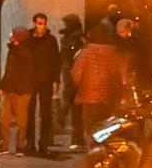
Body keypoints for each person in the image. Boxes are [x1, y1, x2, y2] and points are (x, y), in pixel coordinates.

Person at [72, 24, 128, 143]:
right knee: (106, 127)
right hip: (108, 97)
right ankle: (104, 150)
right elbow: (119, 75)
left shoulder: (85, 53)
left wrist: (80, 89)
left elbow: (77, 75)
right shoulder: (113, 53)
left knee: (90, 126)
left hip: (89, 97)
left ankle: (94, 152)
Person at [0, 27, 35, 156]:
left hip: (21, 91)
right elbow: (9, 71)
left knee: (21, 120)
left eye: (13, 34)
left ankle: (20, 146)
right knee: (4, 119)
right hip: (9, 89)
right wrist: (3, 85)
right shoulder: (13, 50)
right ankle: (4, 145)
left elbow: (26, 73)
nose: (10, 36)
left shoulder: (25, 52)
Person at [26, 13, 60, 154]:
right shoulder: (28, 39)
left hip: (46, 80)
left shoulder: (50, 40)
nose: (41, 26)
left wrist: (56, 80)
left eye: (43, 23)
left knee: (46, 113)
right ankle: (30, 143)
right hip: (30, 79)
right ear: (34, 23)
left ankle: (44, 144)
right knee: (29, 112)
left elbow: (56, 61)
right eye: (39, 23)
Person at [58, 14, 86, 150]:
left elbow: (73, 56)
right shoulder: (69, 37)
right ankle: (76, 137)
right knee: (72, 107)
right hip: (68, 76)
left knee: (74, 108)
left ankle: (77, 138)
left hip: (74, 77)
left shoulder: (77, 38)